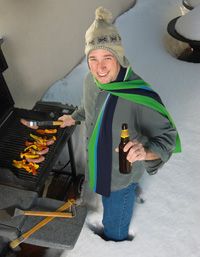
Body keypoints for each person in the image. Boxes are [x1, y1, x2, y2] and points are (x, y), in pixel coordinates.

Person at [58, 7, 181, 242]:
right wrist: (74, 116)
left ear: (119, 57)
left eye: (107, 57)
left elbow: (168, 137)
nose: (99, 67)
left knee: (114, 221)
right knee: (106, 200)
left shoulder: (137, 96)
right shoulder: (90, 81)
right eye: (92, 58)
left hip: (121, 179)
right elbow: (89, 108)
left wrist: (145, 152)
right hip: (100, 166)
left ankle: (115, 243)